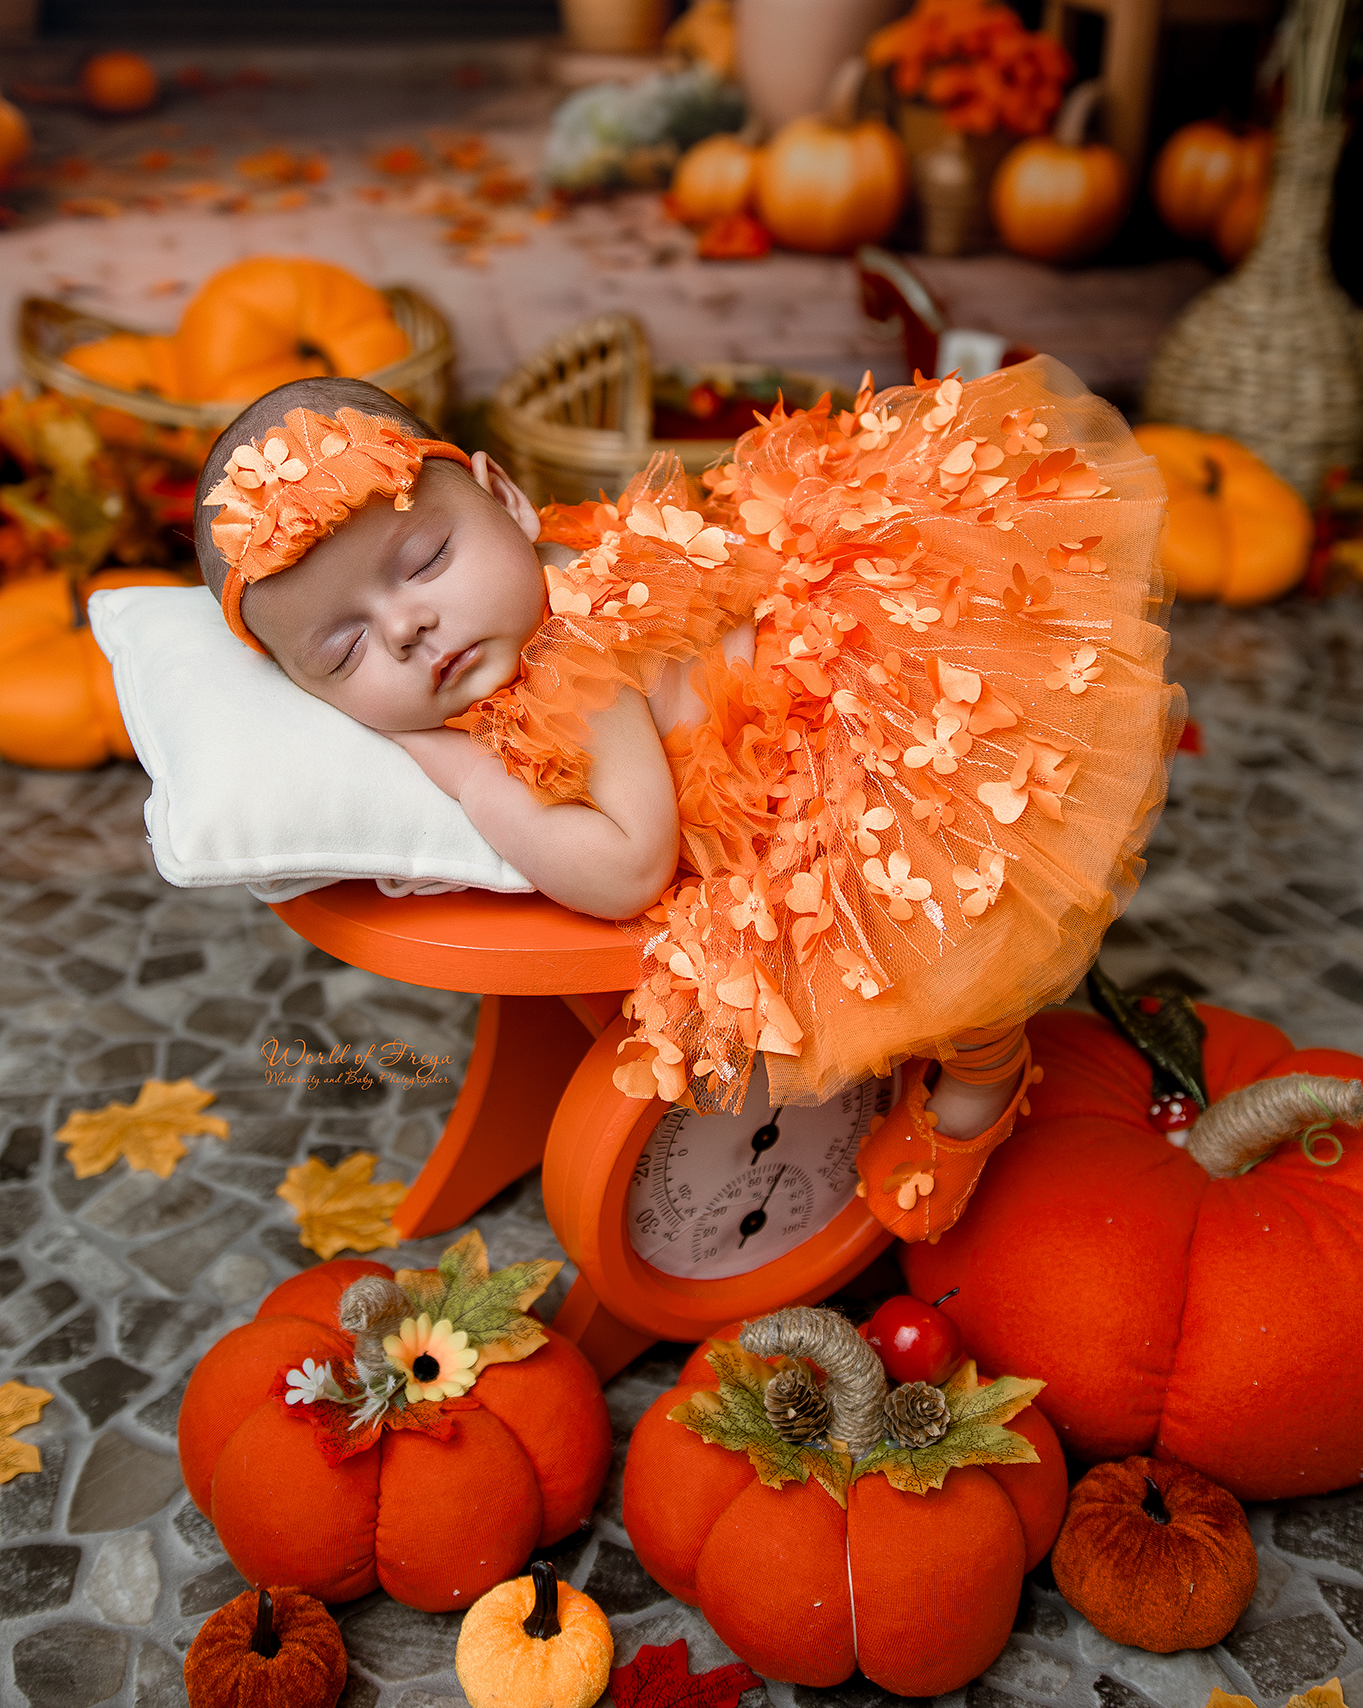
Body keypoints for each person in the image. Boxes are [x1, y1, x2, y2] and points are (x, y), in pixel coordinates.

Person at [194, 360, 1181, 1243]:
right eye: (345, 650)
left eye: (425, 561)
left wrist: (464, 771)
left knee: (941, 924)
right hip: (788, 681)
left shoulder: (575, 652)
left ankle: (984, 1072)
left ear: (508, 501)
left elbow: (627, 867)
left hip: (858, 736)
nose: (408, 624)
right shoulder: (493, 626)